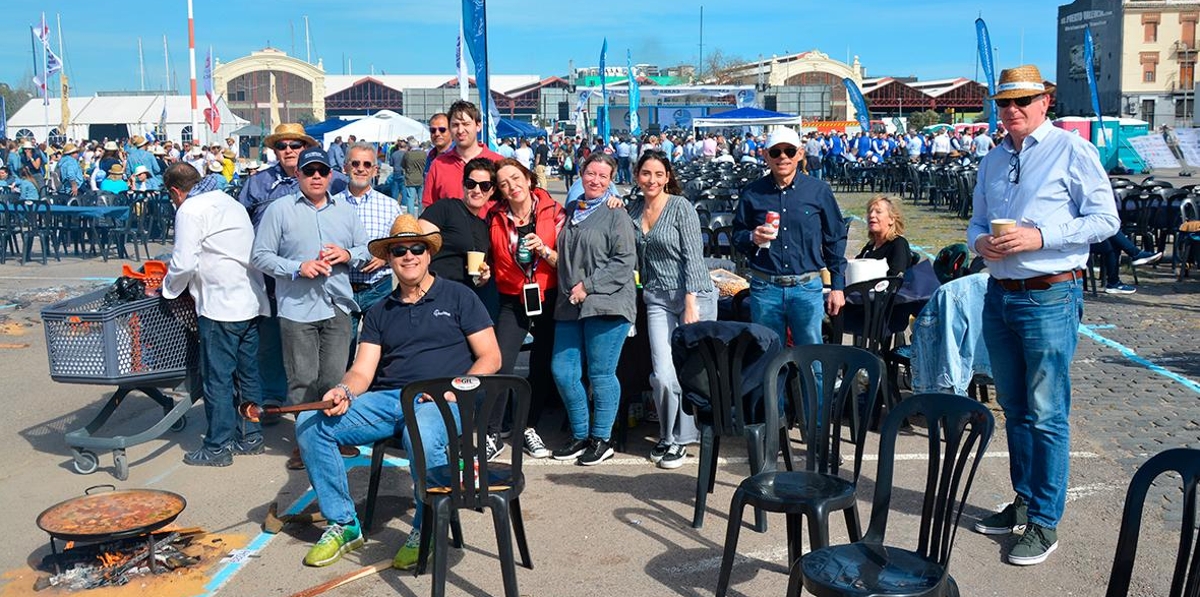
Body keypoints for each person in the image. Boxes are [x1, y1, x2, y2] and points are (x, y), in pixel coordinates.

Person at [967, 65, 1120, 566]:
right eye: (1005, 103)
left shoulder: (1072, 149)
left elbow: (1105, 220)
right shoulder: (992, 160)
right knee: (1013, 406)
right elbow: (974, 223)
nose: (1012, 110)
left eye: (1022, 101)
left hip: (1050, 294)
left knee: (1047, 411)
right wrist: (980, 242)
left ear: (1044, 102)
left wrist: (1040, 236)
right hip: (1001, 293)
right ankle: (1025, 501)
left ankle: (1043, 522)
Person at [294, 214, 501, 569]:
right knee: (310, 421)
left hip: (444, 397)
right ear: (389, 258)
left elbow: (490, 357)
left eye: (416, 248)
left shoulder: (458, 296)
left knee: (422, 429)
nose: (409, 255)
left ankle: (427, 527)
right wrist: (343, 390)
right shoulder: (378, 312)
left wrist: (453, 390)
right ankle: (343, 524)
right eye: (399, 250)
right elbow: (362, 370)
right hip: (391, 399)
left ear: (428, 253)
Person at [251, 147, 369, 470]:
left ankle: (332, 438)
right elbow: (259, 256)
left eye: (321, 171)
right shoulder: (280, 210)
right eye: (309, 171)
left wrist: (347, 255)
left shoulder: (345, 211)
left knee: (333, 378)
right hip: (297, 308)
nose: (316, 176)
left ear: (331, 176)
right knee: (302, 380)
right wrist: (296, 268)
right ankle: (305, 445)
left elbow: (365, 250)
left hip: (337, 304)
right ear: (298, 175)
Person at [160, 162, 270, 466]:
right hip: (249, 300)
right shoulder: (228, 201)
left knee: (218, 378)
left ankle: (217, 446)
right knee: (247, 374)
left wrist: (167, 290)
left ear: (175, 191)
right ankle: (251, 436)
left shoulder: (191, 209)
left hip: (221, 305)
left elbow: (182, 263)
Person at [239, 123, 349, 422]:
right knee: (274, 345)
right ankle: (275, 401)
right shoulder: (258, 183)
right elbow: (243, 227)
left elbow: (352, 226)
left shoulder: (335, 182)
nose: (288, 150)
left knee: (326, 364)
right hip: (269, 277)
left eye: (295, 145)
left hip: (325, 287)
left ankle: (322, 427)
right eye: (282, 145)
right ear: (275, 151)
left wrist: (352, 252)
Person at [626, 150, 716, 469]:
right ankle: (667, 434)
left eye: (658, 174)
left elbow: (694, 255)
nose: (652, 180)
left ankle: (682, 439)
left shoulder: (681, 207)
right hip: (656, 297)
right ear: (637, 175)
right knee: (663, 374)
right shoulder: (632, 208)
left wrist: (691, 301)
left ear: (667, 178)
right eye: (646, 173)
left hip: (693, 295)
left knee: (687, 371)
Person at [550, 152, 637, 466]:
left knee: (601, 374)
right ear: (581, 175)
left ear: (611, 180)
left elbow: (625, 261)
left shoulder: (616, 213)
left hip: (606, 301)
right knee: (563, 371)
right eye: (591, 174)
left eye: (603, 176)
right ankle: (580, 434)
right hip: (570, 303)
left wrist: (589, 285)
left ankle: (602, 438)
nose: (596, 180)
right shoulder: (573, 209)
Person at [478, 158, 564, 461]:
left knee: (541, 366)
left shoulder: (554, 211)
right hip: (512, 299)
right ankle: (492, 432)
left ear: (528, 179)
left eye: (516, 179)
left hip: (548, 295)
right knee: (500, 363)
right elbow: (486, 255)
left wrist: (546, 250)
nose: (512, 186)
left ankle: (528, 426)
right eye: (503, 183)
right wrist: (485, 271)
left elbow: (567, 260)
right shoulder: (494, 216)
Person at [733, 127, 847, 347]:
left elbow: (835, 238)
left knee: (812, 359)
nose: (783, 157)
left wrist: (837, 286)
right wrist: (751, 237)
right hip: (766, 288)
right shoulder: (752, 193)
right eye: (776, 152)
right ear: (766, 156)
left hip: (806, 287)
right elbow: (737, 236)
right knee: (768, 359)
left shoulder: (818, 190)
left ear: (800, 154)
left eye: (789, 151)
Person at [339, 143, 403, 363]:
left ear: (375, 170)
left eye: (367, 164)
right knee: (341, 355)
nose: (361, 168)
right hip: (343, 289)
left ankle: (378, 396)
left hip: (378, 288)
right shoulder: (332, 204)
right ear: (345, 167)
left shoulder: (390, 206)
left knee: (382, 352)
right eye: (355, 163)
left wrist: (385, 255)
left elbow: (402, 245)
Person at [422, 101, 504, 209]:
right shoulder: (438, 165)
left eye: (466, 124)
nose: (460, 130)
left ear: (478, 125)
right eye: (455, 125)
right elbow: (429, 208)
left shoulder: (498, 163)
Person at [1091, 230, 1163, 294]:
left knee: (1112, 240)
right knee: (1111, 231)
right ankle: (1136, 254)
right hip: (1082, 241)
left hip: (1087, 236)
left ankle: (1113, 282)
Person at [855, 195, 912, 277]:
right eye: (870, 212)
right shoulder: (870, 246)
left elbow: (895, 279)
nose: (872, 215)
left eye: (878, 212)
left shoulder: (898, 244)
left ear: (891, 219)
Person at [401, 138, 426, 215]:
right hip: (421, 179)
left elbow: (403, 165)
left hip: (410, 179)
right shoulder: (424, 154)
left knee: (410, 199)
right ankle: (421, 216)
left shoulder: (407, 154)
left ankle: (410, 217)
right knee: (421, 200)